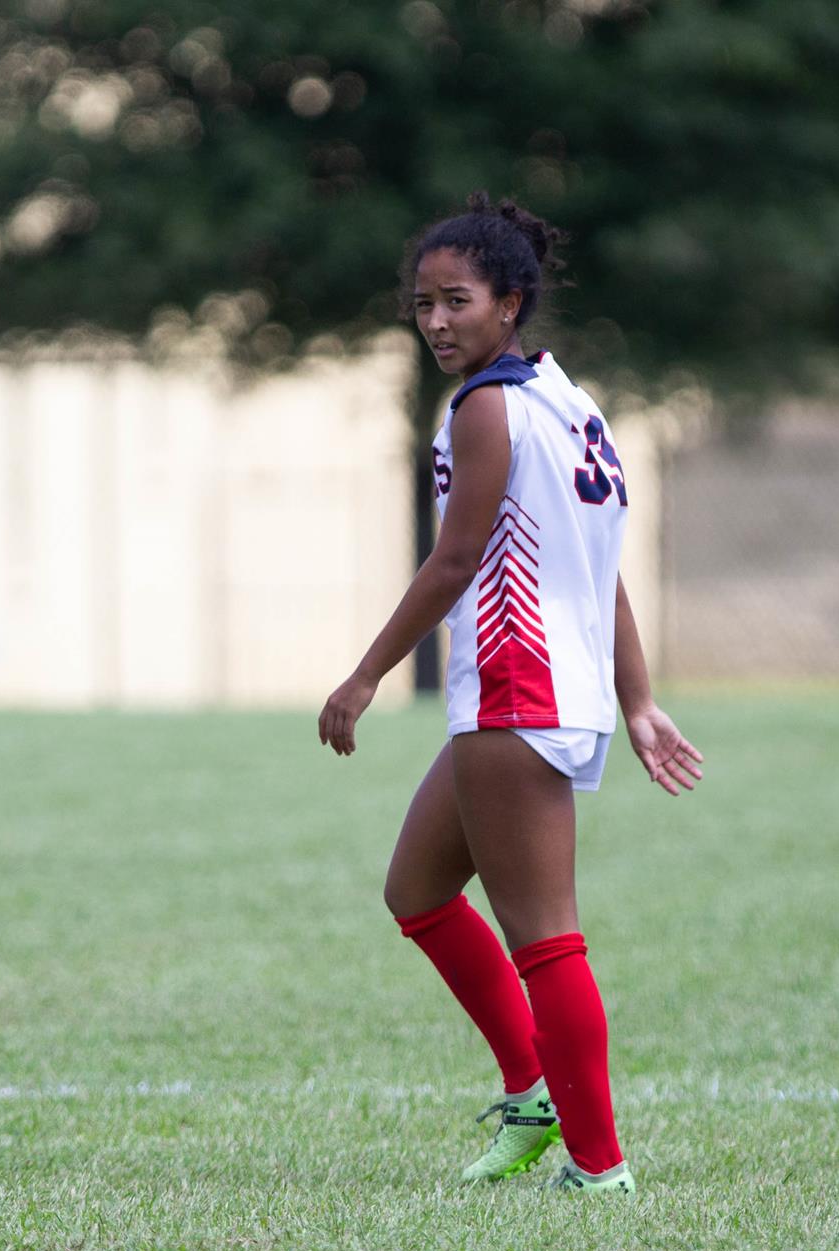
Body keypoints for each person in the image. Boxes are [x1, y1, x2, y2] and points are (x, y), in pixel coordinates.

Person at [317, 192, 704, 1194]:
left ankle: (597, 1164)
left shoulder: (486, 407)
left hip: (515, 690)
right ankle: (533, 1093)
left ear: (509, 302)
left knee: (544, 933)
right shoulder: (563, 400)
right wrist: (639, 699)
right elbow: (600, 560)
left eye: (457, 300)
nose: (436, 320)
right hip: (547, 690)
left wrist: (363, 677)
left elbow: (452, 564)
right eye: (422, 302)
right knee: (416, 890)